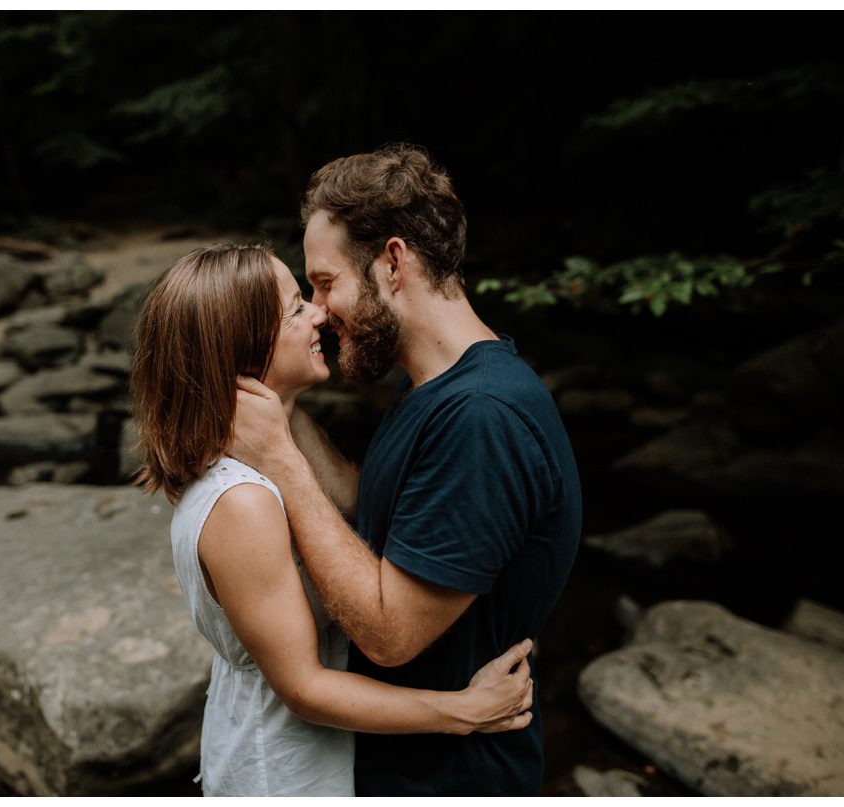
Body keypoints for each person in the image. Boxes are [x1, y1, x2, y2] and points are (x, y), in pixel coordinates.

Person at [229, 145, 582, 796]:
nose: (318, 308)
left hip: (455, 777)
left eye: (327, 282)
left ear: (393, 262)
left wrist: (278, 458)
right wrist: (282, 410)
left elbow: (392, 633)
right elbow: (376, 513)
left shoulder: (482, 419)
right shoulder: (433, 386)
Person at [130, 244, 537, 797]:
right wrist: (465, 711)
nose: (319, 313)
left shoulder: (265, 459)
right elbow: (304, 688)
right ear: (244, 348)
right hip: (285, 772)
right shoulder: (242, 503)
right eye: (296, 308)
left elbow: (352, 510)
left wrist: (282, 431)